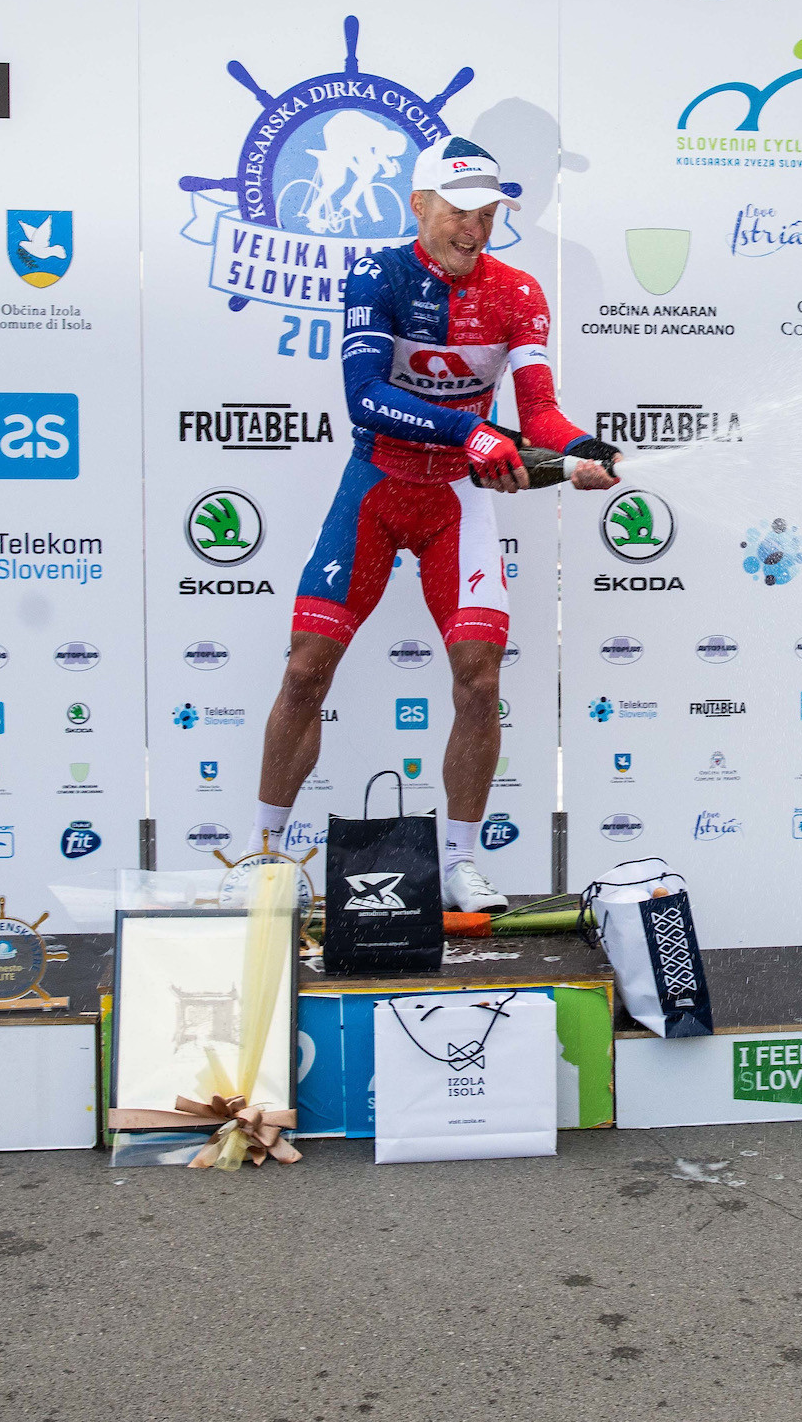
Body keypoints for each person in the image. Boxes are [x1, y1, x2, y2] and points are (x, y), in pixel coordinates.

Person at [252, 136, 624, 910]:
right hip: (376, 488)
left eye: (487, 215)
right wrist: (470, 431)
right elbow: (363, 396)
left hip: (456, 502)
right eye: (459, 211)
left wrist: (583, 450)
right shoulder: (379, 275)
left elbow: (540, 414)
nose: (474, 229)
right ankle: (264, 857)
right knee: (305, 671)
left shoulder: (517, 292)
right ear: (419, 204)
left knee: (479, 680)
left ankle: (459, 862)